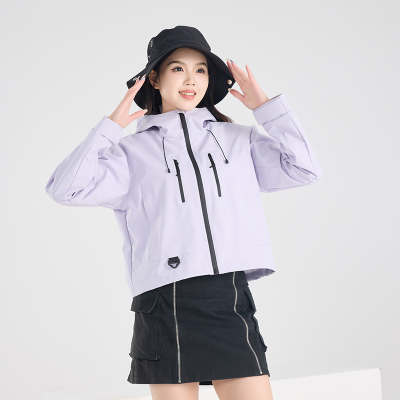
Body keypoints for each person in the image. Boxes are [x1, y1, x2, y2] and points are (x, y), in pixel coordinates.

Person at [45, 26, 323, 400]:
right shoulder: (130, 153)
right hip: (164, 300)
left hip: (227, 296)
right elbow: (64, 189)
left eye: (201, 70)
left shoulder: (240, 140)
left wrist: (266, 109)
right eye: (178, 68)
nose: (191, 79)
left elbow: (305, 169)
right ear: (154, 78)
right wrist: (109, 128)